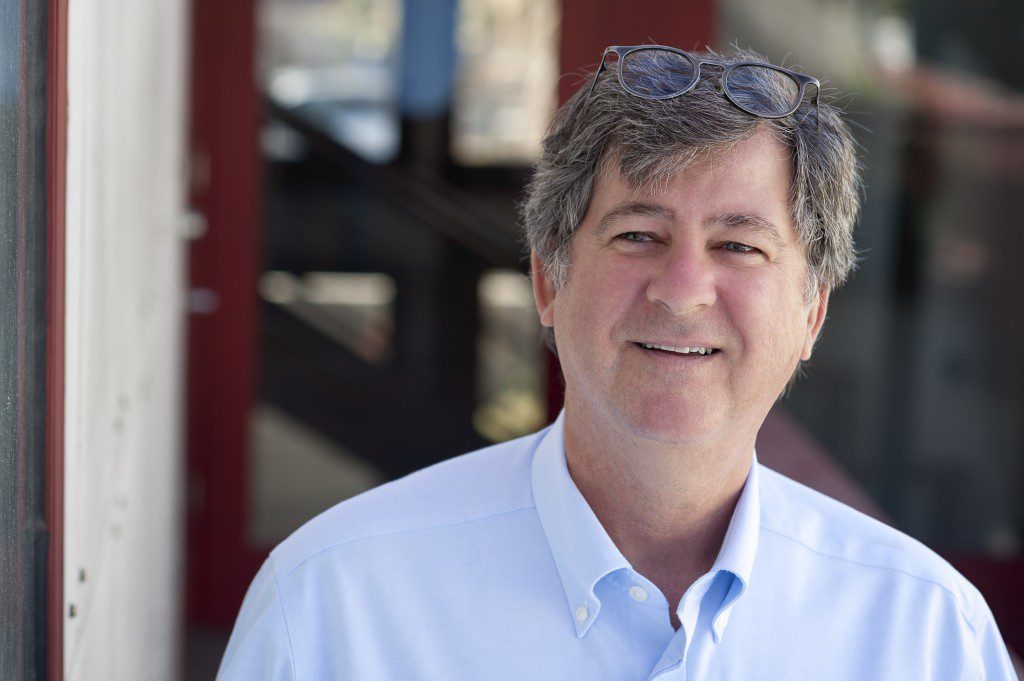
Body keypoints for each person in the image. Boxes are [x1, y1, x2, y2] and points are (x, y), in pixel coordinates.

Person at [217, 45, 1018, 680]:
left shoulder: (926, 634)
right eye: (638, 234)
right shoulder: (331, 604)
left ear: (813, 312)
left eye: (738, 245)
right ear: (547, 279)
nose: (682, 292)